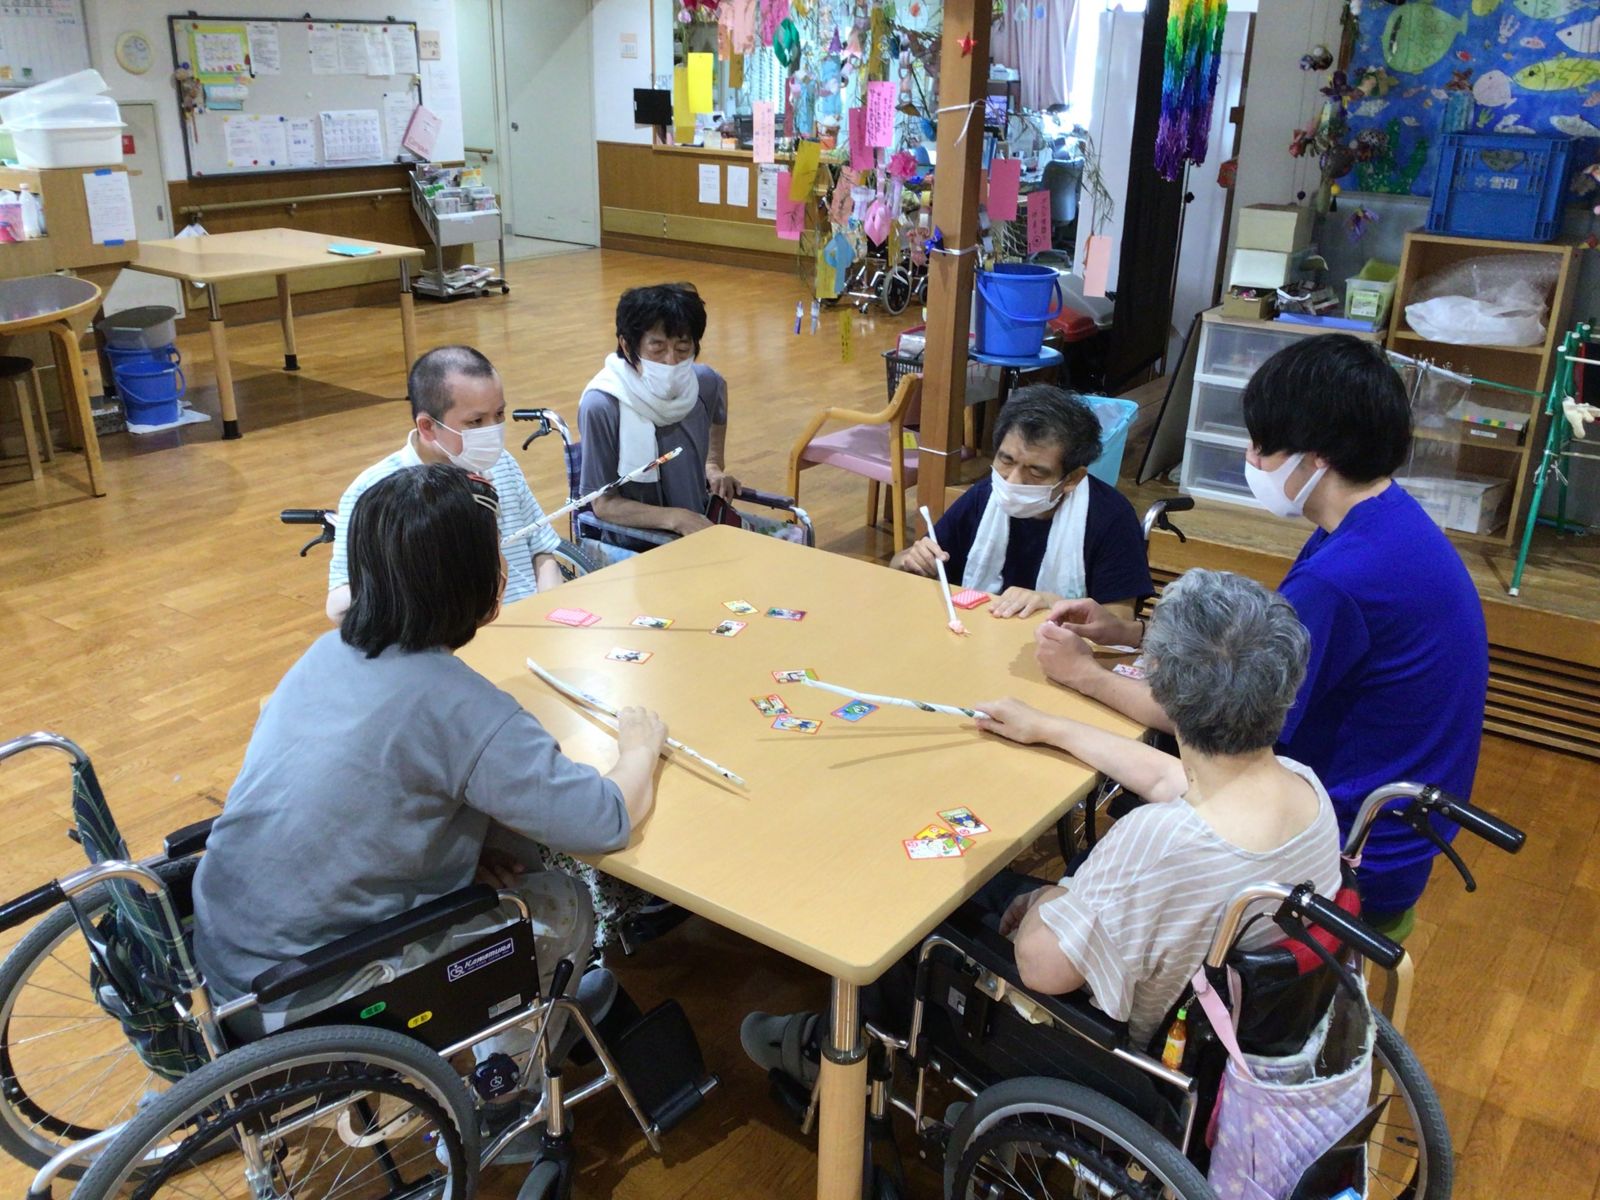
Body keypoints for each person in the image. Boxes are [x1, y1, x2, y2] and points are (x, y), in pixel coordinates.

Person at [742, 569, 1342, 1072]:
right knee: (992, 884)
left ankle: (833, 1042)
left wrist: (1053, 897)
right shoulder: (1302, 789)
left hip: (1106, 1040)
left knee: (909, 899)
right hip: (1223, 1022)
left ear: (1159, 683)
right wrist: (1051, 727)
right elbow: (1171, 778)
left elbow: (1042, 966)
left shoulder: (1162, 840)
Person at [195, 465, 668, 1057]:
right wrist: (639, 747)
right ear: (481, 579)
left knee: (498, 840)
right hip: (306, 997)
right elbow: (603, 820)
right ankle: (510, 1087)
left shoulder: (326, 652)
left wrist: (450, 868)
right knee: (563, 901)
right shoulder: (463, 707)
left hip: (223, 963)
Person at [1037, 335, 1488, 930]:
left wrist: (1084, 674)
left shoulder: (1343, 578)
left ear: (1316, 457)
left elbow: (1220, 721)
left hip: (1343, 858)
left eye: (1262, 445)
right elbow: (1258, 653)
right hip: (1390, 832)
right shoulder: (1380, 522)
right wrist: (1135, 632)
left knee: (1086, 887)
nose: (1251, 457)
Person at [326, 345, 565, 622]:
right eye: (476, 421)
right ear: (427, 426)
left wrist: (548, 612)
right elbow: (339, 606)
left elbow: (542, 550)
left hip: (529, 625)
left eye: (499, 414)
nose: (492, 431)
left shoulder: (502, 463)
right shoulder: (373, 490)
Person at [890, 386, 1153, 619]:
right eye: (1006, 460)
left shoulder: (1110, 517)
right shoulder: (984, 496)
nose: (1013, 480)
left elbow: (1121, 623)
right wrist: (909, 561)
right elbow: (900, 565)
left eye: (1036, 471)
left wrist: (1053, 603)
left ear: (1072, 479)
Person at [577, 283, 754, 551]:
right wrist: (675, 518)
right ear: (627, 345)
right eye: (657, 348)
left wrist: (713, 465)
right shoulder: (602, 405)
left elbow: (719, 402)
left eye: (682, 348)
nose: (671, 361)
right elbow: (604, 504)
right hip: (635, 547)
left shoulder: (705, 384)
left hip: (698, 531)